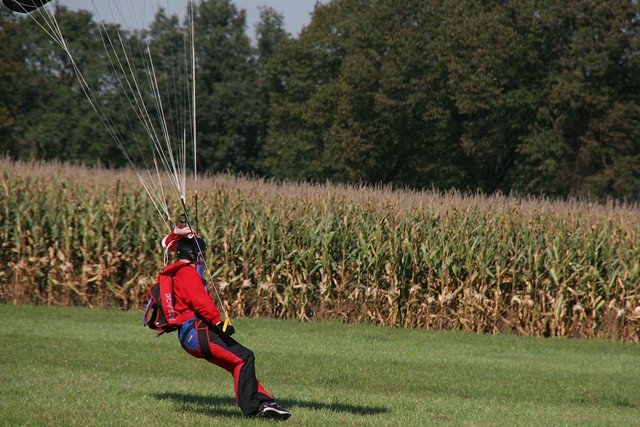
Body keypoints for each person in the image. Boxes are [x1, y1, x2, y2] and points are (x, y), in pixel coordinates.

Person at [158, 226, 291, 420]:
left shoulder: (180, 272)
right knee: (244, 358)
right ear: (192, 253)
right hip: (197, 332)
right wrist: (218, 322)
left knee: (238, 363)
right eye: (200, 253)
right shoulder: (187, 273)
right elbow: (200, 301)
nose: (203, 257)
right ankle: (254, 408)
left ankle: (264, 402)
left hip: (192, 335)